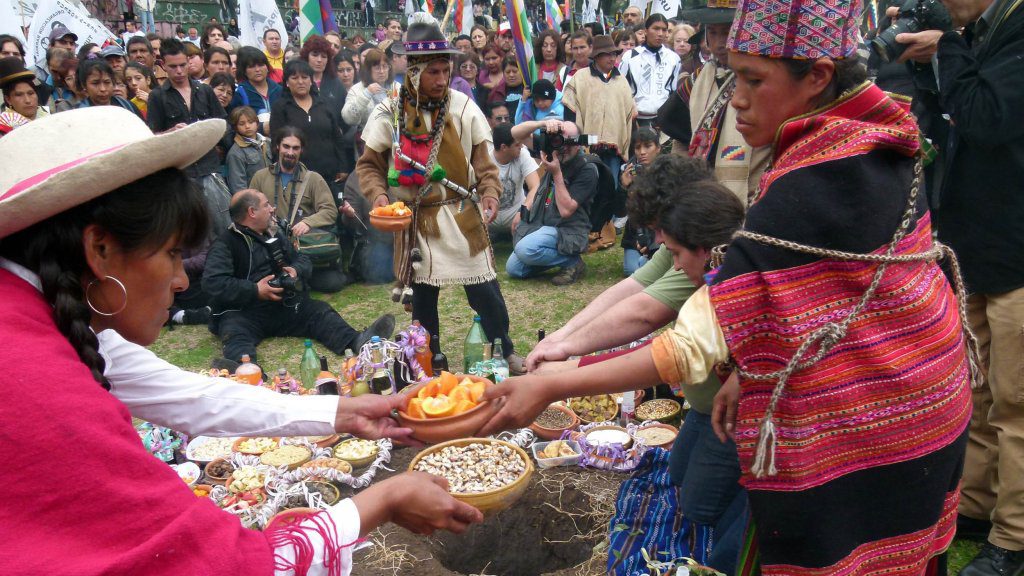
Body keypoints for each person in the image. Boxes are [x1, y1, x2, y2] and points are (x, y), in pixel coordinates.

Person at [484, 0, 978, 572]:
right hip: (927, 392)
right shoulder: (864, 141)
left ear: (817, 76)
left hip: (882, 416)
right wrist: (746, 370)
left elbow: (687, 343)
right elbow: (834, 301)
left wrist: (550, 387)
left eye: (753, 79)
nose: (736, 98)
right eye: (733, 76)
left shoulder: (813, 182)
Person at [0, 108, 481, 573]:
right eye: (171, 255)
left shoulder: (40, 319)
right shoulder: (37, 387)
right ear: (100, 250)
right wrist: (382, 500)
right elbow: (226, 565)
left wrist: (341, 413)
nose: (181, 281)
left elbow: (188, 394)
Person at [896, 0, 1024, 572]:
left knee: (1018, 403)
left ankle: (1014, 538)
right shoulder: (983, 29)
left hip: (1018, 251)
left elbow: (988, 117)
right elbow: (944, 118)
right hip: (978, 246)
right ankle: (976, 504)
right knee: (977, 388)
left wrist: (947, 44)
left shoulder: (1016, 27)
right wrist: (929, 67)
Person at [355, 13, 523, 373]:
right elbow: (369, 165)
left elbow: (484, 160)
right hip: (415, 221)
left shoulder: (462, 106)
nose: (442, 79)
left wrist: (490, 191)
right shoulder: (389, 112)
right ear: (413, 71)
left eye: (445, 71)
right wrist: (380, 197)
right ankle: (429, 365)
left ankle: (504, 350)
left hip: (460, 213)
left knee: (485, 291)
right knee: (423, 302)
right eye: (433, 71)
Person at [203, 187, 395, 364]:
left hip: (282, 307)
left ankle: (357, 341)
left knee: (319, 311)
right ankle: (246, 370)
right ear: (252, 212)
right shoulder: (225, 244)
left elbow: (302, 259)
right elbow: (213, 283)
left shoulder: (274, 234)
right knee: (236, 333)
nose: (272, 209)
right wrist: (255, 290)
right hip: (244, 313)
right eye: (266, 205)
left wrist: (296, 270)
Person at [672, 0, 770, 205]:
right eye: (713, 33)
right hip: (703, 193)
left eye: (728, 32)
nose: (719, 43)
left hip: (756, 194)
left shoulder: (768, 81)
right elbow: (680, 137)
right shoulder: (697, 81)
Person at [146, 38, 232, 233]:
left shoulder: (205, 90)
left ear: (189, 62)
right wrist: (170, 133)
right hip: (181, 174)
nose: (179, 71)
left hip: (210, 169)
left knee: (225, 228)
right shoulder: (157, 96)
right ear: (163, 66)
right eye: (173, 66)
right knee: (193, 234)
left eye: (183, 65)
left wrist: (212, 137)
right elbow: (151, 137)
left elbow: (223, 124)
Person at [506, 119, 595, 286]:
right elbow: (515, 133)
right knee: (514, 269)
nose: (564, 146)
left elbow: (566, 211)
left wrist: (557, 173)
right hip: (544, 225)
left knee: (525, 249)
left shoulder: (587, 169)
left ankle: (572, 262)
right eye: (561, 140)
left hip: (569, 231)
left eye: (571, 141)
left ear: (579, 142)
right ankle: (562, 260)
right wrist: (543, 123)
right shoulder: (551, 147)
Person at [270, 59, 349, 187]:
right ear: (287, 83)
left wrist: (343, 167)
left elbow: (337, 137)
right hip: (295, 175)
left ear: (311, 80)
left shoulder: (324, 104)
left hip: (329, 173)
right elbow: (276, 142)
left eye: (305, 77)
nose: (300, 82)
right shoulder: (281, 107)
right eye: (295, 78)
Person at [619, 13, 680, 129]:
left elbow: (673, 90)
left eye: (664, 30)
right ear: (646, 31)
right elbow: (620, 86)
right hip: (636, 119)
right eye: (656, 29)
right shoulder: (630, 56)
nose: (660, 33)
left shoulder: (673, 58)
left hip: (662, 120)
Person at [619, 128, 662, 275]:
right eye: (638, 148)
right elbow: (618, 212)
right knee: (632, 270)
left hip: (660, 234)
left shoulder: (667, 171)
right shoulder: (628, 171)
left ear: (658, 148)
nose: (642, 152)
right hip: (635, 235)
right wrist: (624, 187)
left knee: (644, 271)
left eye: (647, 146)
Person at [490, 123, 540, 238]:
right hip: (489, 212)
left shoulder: (522, 154)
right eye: (517, 144)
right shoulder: (485, 158)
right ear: (503, 147)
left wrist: (523, 211)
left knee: (537, 204)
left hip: (515, 212)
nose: (522, 146)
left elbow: (536, 186)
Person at [341, 48, 398, 138]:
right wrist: (366, 94)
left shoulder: (396, 87)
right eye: (377, 68)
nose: (382, 71)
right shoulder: (357, 89)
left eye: (385, 66)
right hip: (368, 141)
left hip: (394, 139)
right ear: (368, 69)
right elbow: (348, 118)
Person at [229, 46, 282, 130]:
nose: (257, 70)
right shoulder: (239, 93)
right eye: (251, 66)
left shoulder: (279, 90)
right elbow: (235, 124)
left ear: (267, 67)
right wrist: (262, 128)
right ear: (244, 71)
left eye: (261, 65)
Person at [225, 106, 271, 193]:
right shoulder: (235, 153)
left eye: (250, 122)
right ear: (235, 127)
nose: (247, 126)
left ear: (257, 123)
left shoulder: (268, 143)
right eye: (242, 124)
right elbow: (238, 187)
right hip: (254, 199)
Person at [75, 59, 143, 118]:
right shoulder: (78, 113)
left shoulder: (128, 107)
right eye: (95, 83)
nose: (103, 89)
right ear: (84, 85)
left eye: (107, 82)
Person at [0, 58, 47, 134]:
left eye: (31, 93)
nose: (27, 100)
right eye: (19, 95)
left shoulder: (50, 118)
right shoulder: (2, 128)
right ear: (8, 99)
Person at [301, 34, 347, 111]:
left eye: (323, 56)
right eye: (315, 55)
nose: (319, 60)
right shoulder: (298, 81)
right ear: (306, 56)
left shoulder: (336, 84)